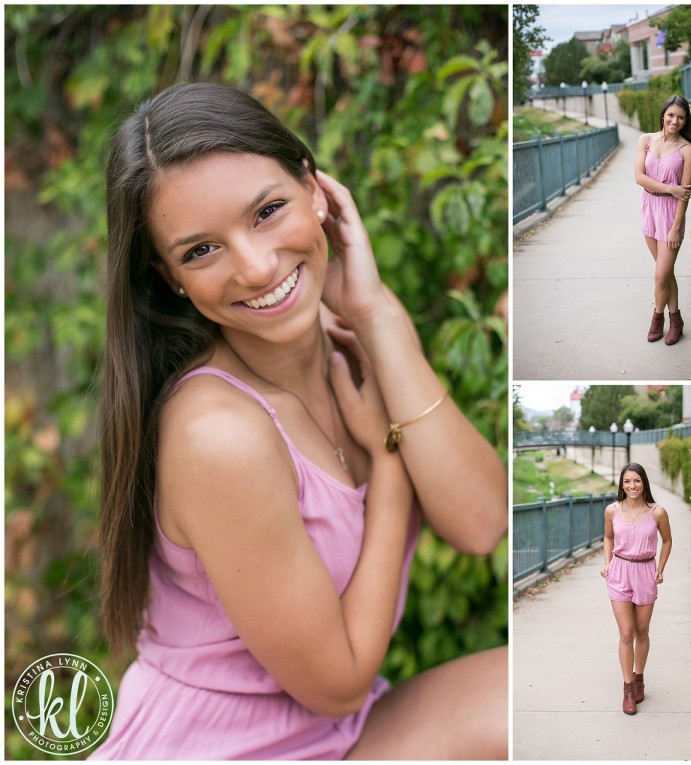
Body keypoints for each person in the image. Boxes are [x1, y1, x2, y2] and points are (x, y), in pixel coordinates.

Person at [90, 82, 508, 760]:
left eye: (268, 210)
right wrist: (391, 467)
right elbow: (338, 682)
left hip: (334, 734)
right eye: (200, 250)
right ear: (169, 277)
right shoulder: (217, 433)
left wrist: (377, 313)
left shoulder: (348, 344)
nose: (256, 267)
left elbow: (483, 519)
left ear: (316, 190)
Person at [600, 463, 672, 715]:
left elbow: (667, 540)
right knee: (626, 632)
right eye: (627, 481)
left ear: (644, 483)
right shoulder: (611, 510)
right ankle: (628, 690)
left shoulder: (657, 512)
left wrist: (660, 568)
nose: (632, 486)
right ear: (621, 484)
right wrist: (607, 563)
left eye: (637, 481)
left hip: (644, 572)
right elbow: (608, 537)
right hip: (619, 572)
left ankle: (639, 678)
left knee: (642, 631)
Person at [634, 95, 691, 345]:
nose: (675, 120)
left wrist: (675, 229)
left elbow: (685, 193)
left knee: (661, 276)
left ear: (685, 121)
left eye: (680, 117)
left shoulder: (687, 150)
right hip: (649, 207)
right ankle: (677, 320)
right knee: (666, 271)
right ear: (663, 114)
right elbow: (639, 177)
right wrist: (670, 188)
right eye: (671, 115)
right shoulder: (646, 140)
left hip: (672, 214)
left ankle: (657, 318)